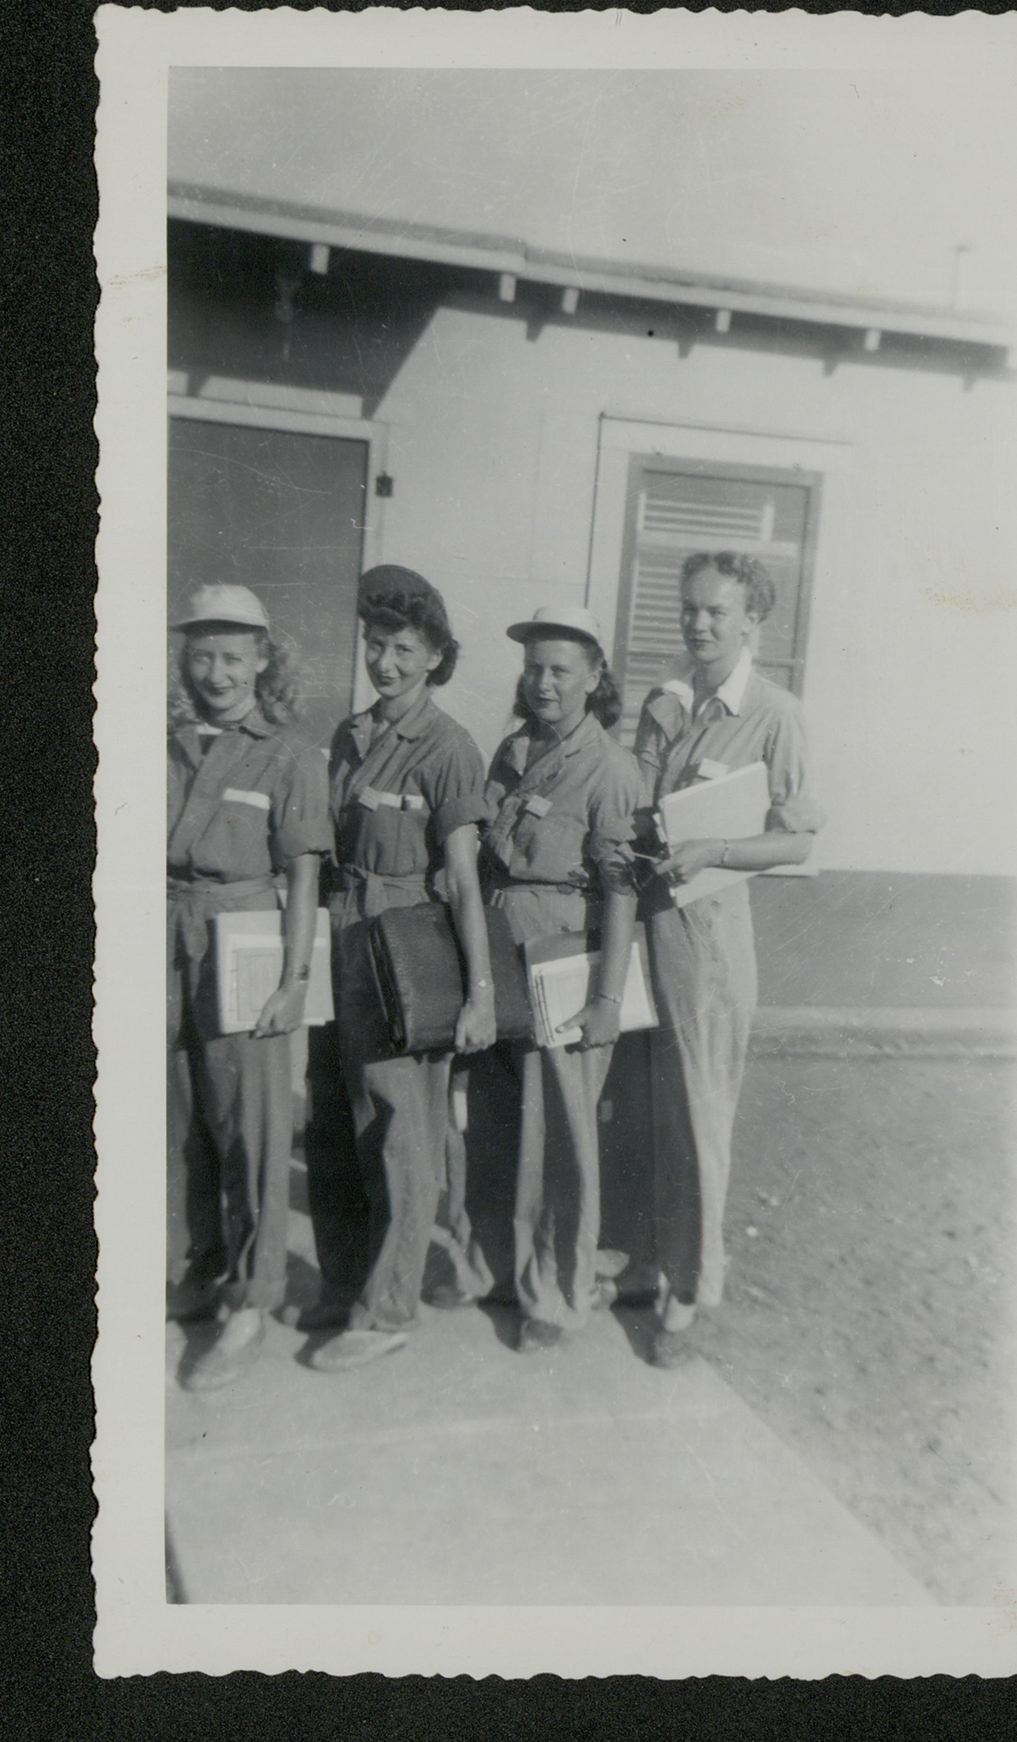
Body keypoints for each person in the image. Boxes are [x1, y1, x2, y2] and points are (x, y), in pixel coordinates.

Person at [633, 552, 825, 1368]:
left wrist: (715, 848)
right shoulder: (668, 703)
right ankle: (645, 1261)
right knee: (643, 1106)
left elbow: (799, 839)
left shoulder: (774, 714)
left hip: (708, 941)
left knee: (699, 1113)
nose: (699, 623)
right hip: (645, 928)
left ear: (752, 621)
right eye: (690, 608)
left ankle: (692, 1287)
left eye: (716, 611)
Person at [306, 566, 497, 1373]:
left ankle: (388, 1309)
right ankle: (346, 1284)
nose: (384, 662)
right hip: (340, 938)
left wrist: (479, 993)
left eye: (404, 650)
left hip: (402, 951)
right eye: (375, 644)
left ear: (435, 657)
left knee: (401, 1131)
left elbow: (463, 880)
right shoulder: (351, 735)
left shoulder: (449, 748)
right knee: (337, 1123)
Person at [166, 584, 330, 1392]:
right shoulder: (160, 744)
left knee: (251, 1127)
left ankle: (253, 1300)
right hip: (166, 934)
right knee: (179, 1119)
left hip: (247, 934)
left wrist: (295, 979)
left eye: (234, 657)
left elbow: (303, 878)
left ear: (263, 659)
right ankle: (198, 1271)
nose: (217, 674)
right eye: (202, 656)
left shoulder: (290, 755)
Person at [476, 606, 644, 1351]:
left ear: (594, 677)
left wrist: (607, 998)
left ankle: (559, 1293)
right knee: (502, 1123)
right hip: (502, 945)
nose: (543, 684)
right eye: (534, 669)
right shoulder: (515, 748)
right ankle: (503, 1268)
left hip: (564, 956)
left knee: (559, 1134)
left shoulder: (610, 768)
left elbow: (622, 888)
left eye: (560, 671)